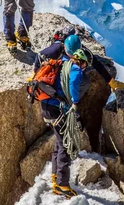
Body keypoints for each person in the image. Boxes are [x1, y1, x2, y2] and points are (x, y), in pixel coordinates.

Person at [40, 48, 90, 199]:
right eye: (85, 65)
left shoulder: (63, 64)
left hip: (46, 106)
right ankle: (62, 184)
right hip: (56, 108)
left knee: (59, 141)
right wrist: (75, 102)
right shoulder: (75, 69)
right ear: (82, 62)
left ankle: (56, 177)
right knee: (65, 145)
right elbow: (74, 82)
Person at [33, 27, 124, 95]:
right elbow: (39, 56)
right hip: (58, 65)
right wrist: (36, 72)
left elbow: (95, 62)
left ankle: (69, 99)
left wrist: (110, 80)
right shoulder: (56, 49)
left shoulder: (81, 49)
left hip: (65, 65)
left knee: (84, 81)